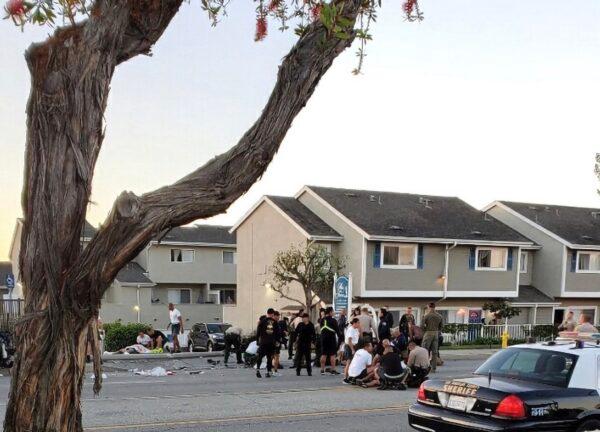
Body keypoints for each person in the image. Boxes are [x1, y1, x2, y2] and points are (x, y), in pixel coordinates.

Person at [255, 308, 279, 378]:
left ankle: (258, 370)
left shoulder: (262, 321)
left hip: (263, 342)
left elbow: (258, 331)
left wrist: (257, 340)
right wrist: (277, 341)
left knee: (260, 356)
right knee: (269, 358)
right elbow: (277, 333)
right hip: (271, 342)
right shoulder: (275, 322)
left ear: (267, 313)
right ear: (272, 314)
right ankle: (268, 372)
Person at [421, 302, 443, 373]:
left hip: (428, 332)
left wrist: (425, 331)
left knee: (425, 350)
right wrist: (438, 331)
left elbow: (422, 325)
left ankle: (425, 366)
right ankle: (433, 368)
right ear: (434, 307)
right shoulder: (439, 316)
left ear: (429, 307)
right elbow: (442, 326)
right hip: (436, 333)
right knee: (434, 351)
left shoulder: (426, 315)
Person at [319, 306, 341, 375]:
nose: (334, 313)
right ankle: (333, 369)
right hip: (331, 339)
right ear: (330, 312)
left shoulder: (322, 320)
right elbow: (338, 331)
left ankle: (322, 370)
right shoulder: (333, 320)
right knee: (332, 354)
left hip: (323, 339)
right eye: (333, 311)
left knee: (324, 354)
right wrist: (341, 337)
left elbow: (321, 329)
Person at [272, 310, 286, 375]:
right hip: (274, 342)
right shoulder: (273, 323)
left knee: (275, 356)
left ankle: (274, 370)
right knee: (275, 356)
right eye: (277, 316)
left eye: (279, 316)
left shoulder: (277, 323)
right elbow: (271, 333)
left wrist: (283, 333)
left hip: (277, 341)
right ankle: (274, 371)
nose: (278, 318)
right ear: (274, 316)